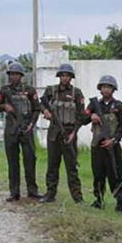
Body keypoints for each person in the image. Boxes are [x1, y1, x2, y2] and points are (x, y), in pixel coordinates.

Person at [0, 62, 42, 201]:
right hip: (11, 129)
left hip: (26, 127)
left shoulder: (30, 90)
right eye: (11, 74)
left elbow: (37, 109)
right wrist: (4, 106)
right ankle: (14, 192)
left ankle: (32, 191)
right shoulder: (4, 90)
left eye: (16, 74)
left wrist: (31, 125)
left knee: (30, 160)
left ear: (21, 76)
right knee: (13, 162)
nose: (13, 77)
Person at [38, 63, 85, 204]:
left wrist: (74, 133)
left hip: (69, 133)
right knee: (52, 165)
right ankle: (50, 194)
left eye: (67, 75)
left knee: (72, 167)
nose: (65, 78)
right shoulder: (51, 90)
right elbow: (41, 103)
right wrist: (45, 111)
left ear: (71, 77)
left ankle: (78, 197)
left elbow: (80, 115)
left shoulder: (77, 93)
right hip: (54, 133)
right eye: (63, 75)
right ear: (59, 76)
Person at [81, 75, 122, 212]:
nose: (106, 90)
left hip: (113, 146)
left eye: (109, 87)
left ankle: (120, 201)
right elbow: (83, 118)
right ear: (100, 89)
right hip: (97, 146)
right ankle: (99, 199)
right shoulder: (94, 104)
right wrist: (91, 116)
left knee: (116, 172)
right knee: (98, 173)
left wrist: (114, 140)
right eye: (104, 87)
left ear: (113, 89)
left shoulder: (119, 106)